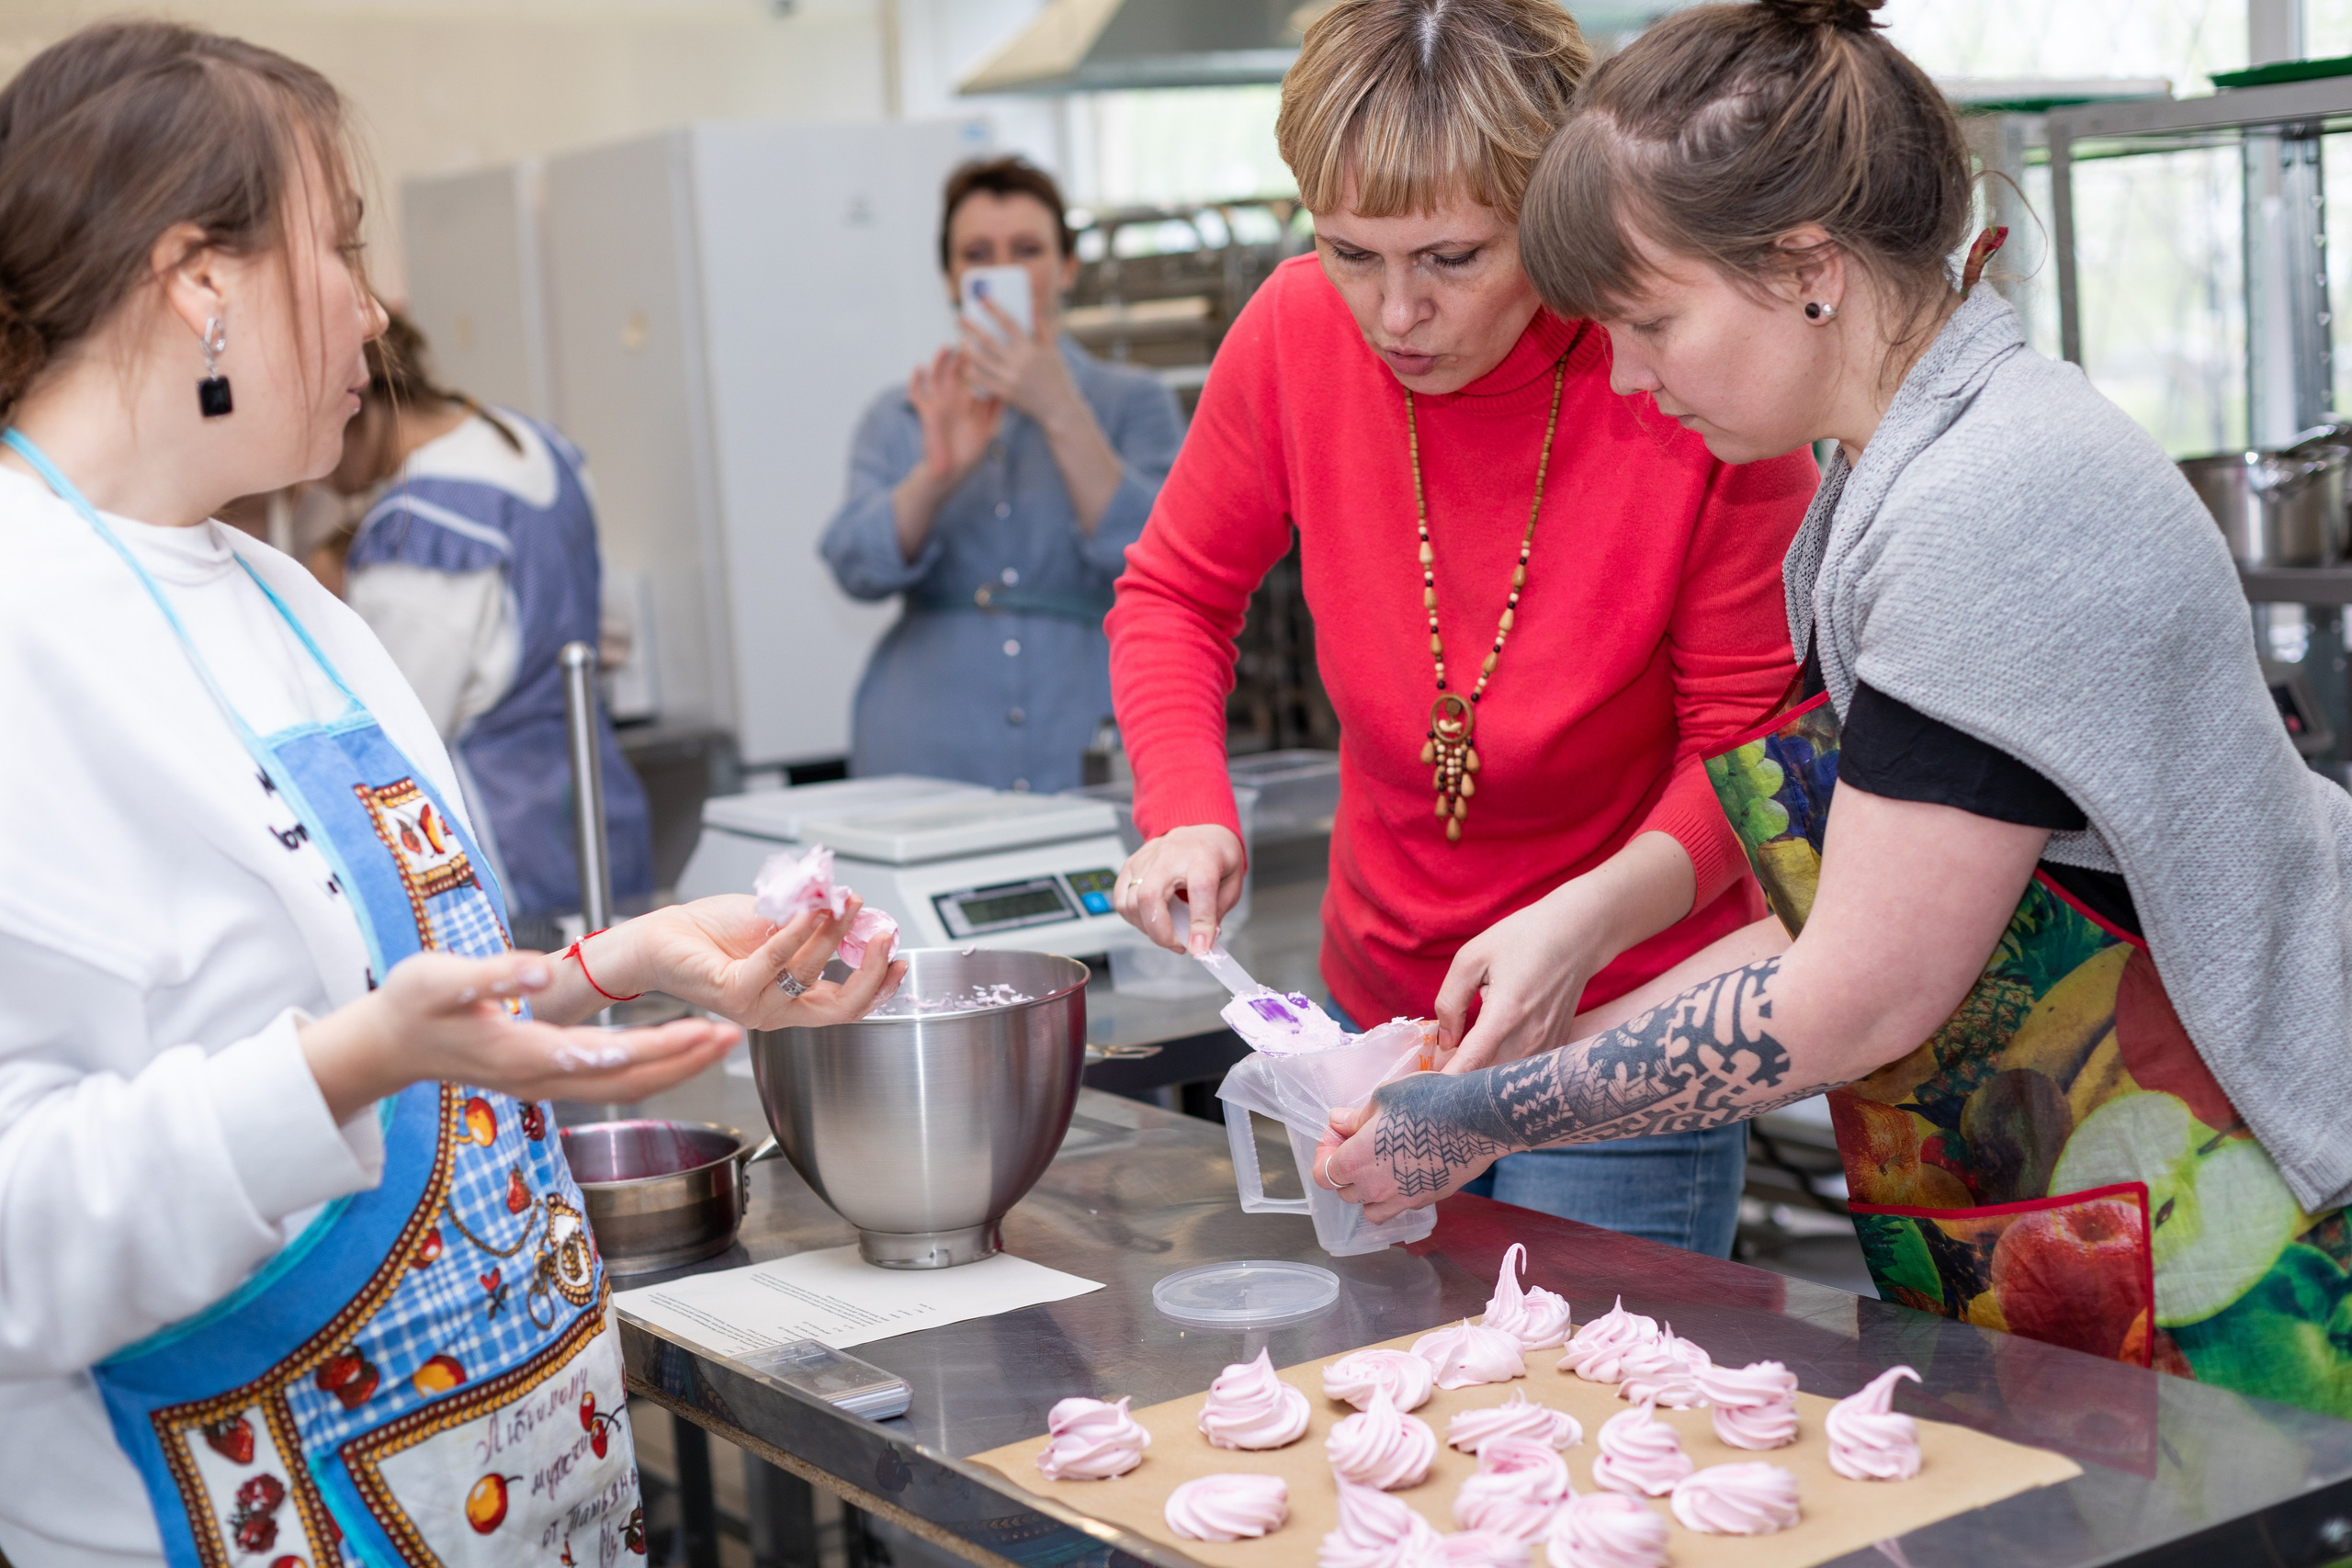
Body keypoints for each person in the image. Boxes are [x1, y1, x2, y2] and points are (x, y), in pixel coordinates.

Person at [1319, 0, 2352, 1419]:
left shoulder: (1989, 504)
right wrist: (1532, 1044)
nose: (1626, 375)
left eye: (1650, 319)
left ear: (1807, 268)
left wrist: (1482, 1115)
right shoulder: (1895, 480)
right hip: (2078, 1193)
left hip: (2238, 1225)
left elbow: (1855, 990)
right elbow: (1850, 910)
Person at [0, 24, 902, 1565]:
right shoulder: (26, 628)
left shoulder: (292, 600)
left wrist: (610, 965)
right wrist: (351, 1062)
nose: (379, 302)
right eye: (339, 243)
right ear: (197, 281)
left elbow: (372, 997)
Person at [1106, 0, 1817, 1253]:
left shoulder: (1685, 373)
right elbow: (1175, 592)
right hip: (1371, 1016)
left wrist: (1581, 930)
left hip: (1621, 1025)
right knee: (1387, 1402)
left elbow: (1749, 746)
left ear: (1553, 212)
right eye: (1348, 251)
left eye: (1450, 258)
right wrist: (1186, 803)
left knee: (1594, 1412)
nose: (1393, 315)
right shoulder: (1290, 332)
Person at [820, 156, 1184, 794]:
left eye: (1027, 249)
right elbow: (853, 565)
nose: (1003, 270)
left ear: (1068, 266)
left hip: (1093, 733)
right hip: (925, 752)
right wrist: (936, 475)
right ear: (950, 278)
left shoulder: (1135, 401)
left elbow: (1165, 557)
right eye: (977, 253)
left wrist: (1061, 409)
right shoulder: (903, 411)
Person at [334, 310, 654, 946]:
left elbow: (397, 738)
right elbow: (596, 618)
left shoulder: (416, 529)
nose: (313, 481)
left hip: (507, 850)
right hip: (601, 814)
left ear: (363, 404)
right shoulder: (536, 445)